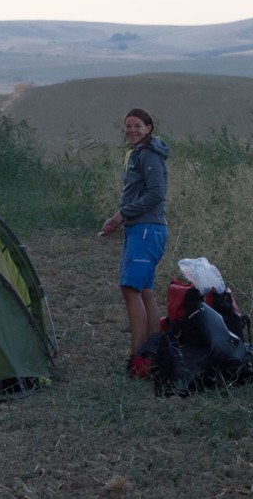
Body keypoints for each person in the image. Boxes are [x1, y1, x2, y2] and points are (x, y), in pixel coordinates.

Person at [100, 108, 170, 377]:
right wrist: (118, 220)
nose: (132, 130)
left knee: (130, 290)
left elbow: (155, 194)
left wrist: (120, 215)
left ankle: (137, 356)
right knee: (145, 293)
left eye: (138, 126)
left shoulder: (150, 154)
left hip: (146, 230)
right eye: (128, 126)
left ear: (149, 128)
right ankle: (150, 355)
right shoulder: (138, 153)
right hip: (142, 230)